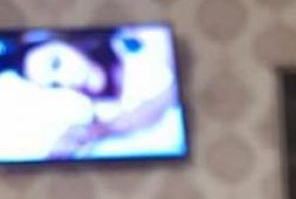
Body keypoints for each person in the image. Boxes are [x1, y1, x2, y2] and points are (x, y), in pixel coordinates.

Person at [0, 26, 184, 160]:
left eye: (56, 63)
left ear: (67, 43)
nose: (65, 79)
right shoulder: (96, 122)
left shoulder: (139, 39)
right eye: (55, 84)